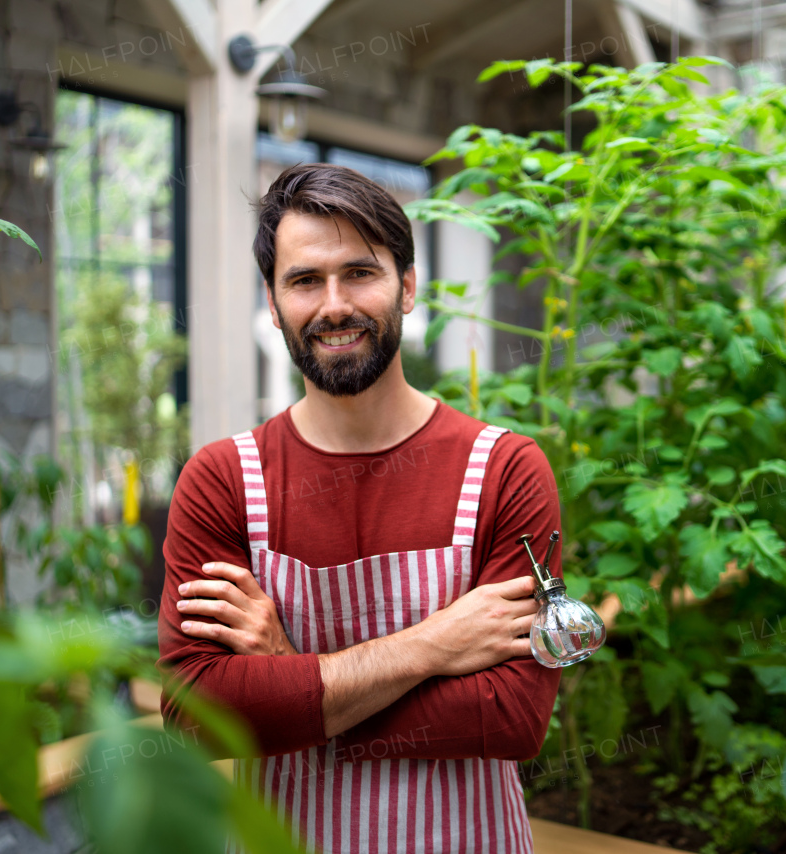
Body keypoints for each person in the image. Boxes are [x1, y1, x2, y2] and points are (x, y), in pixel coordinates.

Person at [156, 162, 563, 853]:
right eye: (305, 281)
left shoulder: (504, 469)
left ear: (407, 286)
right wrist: (434, 645)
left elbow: (514, 716)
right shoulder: (223, 479)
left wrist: (290, 671)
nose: (334, 305)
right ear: (274, 299)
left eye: (360, 273)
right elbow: (197, 715)